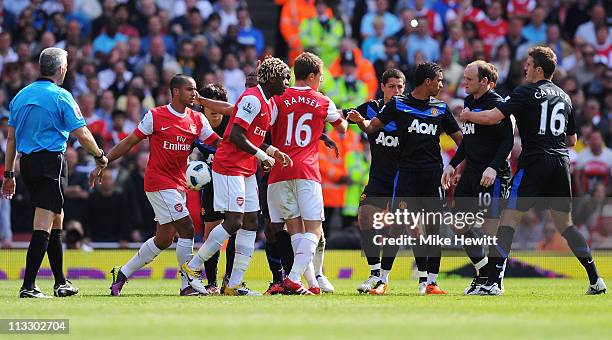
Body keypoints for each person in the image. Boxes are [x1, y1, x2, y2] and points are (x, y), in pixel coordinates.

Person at [460, 46, 607, 295]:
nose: (525, 68)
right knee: (566, 225)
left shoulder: (526, 92)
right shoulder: (564, 96)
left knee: (509, 219)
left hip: (535, 161)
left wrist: (468, 116)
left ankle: (493, 282)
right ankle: (596, 280)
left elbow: (494, 117)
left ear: (538, 69)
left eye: (528, 64)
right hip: (560, 163)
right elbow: (572, 140)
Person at [91, 74, 221, 297]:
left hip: (179, 184)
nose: (195, 94)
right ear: (176, 92)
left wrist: (248, 150)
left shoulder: (197, 119)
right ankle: (187, 284)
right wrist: (104, 161)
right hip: (158, 182)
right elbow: (130, 141)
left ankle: (122, 273)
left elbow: (216, 143)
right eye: (190, 89)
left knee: (164, 239)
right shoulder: (156, 116)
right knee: (187, 228)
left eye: (195, 89)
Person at [2, 47, 108, 298]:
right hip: (51, 163)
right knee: (43, 223)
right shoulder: (61, 96)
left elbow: (10, 139)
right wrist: (100, 156)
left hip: (27, 164)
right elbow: (81, 132)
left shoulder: (20, 96)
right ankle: (28, 285)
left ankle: (61, 282)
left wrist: (8, 174)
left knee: (56, 219)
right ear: (61, 69)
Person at [348, 62, 463, 295]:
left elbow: (462, 141)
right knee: (398, 228)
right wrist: (360, 121)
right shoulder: (399, 105)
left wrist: (453, 166)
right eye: (439, 80)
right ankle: (382, 280)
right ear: (428, 82)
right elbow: (373, 127)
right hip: (406, 175)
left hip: (432, 175)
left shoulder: (440, 108)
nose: (442, 84)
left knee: (433, 229)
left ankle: (430, 282)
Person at [181, 57, 292, 296]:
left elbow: (254, 136)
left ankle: (234, 284)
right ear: (272, 78)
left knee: (251, 222)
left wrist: (272, 151)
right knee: (234, 222)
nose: (287, 83)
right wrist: (263, 155)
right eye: (285, 78)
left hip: (246, 168)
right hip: (229, 165)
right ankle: (191, 268)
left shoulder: (269, 102)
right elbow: (235, 134)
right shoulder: (252, 99)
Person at [266, 52, 348, 295]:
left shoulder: (278, 98)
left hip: (279, 170)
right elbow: (342, 127)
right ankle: (292, 278)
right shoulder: (322, 101)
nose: (321, 82)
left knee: (295, 229)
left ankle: (311, 284)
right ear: (311, 76)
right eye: (320, 77)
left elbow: (265, 125)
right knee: (314, 229)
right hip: (306, 171)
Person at [441, 61, 513, 295]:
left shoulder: (499, 105)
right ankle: (483, 272)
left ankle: (495, 282)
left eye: (469, 79)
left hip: (493, 175)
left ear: (484, 82)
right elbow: (468, 141)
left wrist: (493, 167)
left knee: (491, 231)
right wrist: (452, 165)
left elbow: (507, 142)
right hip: (472, 174)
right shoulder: (469, 102)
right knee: (457, 223)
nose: (464, 82)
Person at [345, 68, 405, 295]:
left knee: (412, 230)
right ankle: (375, 273)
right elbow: (344, 115)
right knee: (364, 217)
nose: (397, 91)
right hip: (379, 178)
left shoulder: (409, 110)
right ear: (382, 87)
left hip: (404, 179)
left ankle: (427, 279)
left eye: (400, 87)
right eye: (392, 86)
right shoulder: (371, 108)